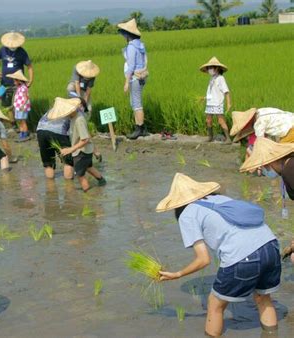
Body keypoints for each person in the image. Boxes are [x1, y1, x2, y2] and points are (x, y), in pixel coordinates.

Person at [156, 173, 280, 337]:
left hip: (243, 257)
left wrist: (177, 274)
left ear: (176, 203)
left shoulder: (187, 214)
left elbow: (203, 259)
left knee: (215, 305)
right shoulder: (222, 199)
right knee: (263, 298)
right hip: (271, 246)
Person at [49, 97, 106, 192]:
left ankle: (87, 194)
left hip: (81, 152)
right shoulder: (74, 117)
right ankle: (102, 181)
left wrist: (70, 149)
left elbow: (85, 139)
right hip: (86, 150)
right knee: (88, 167)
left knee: (80, 175)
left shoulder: (79, 120)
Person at [117, 18, 149, 140]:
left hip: (135, 77)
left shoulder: (131, 47)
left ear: (127, 34)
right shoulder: (140, 45)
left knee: (136, 104)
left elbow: (131, 66)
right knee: (136, 102)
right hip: (142, 76)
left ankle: (139, 129)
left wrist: (126, 82)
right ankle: (142, 128)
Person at [36, 97, 76, 180]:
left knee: (48, 162)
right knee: (68, 161)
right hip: (58, 133)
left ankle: (51, 188)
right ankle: (69, 187)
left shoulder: (50, 111)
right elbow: (73, 132)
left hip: (40, 132)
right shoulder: (68, 112)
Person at [0, 32, 33, 108]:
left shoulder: (22, 52)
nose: (13, 46)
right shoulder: (2, 50)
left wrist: (31, 80)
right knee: (6, 105)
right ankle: (11, 120)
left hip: (18, 84)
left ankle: (18, 118)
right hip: (5, 83)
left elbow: (29, 66)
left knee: (18, 103)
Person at [199, 57, 232, 143]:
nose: (209, 69)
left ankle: (228, 138)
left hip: (217, 103)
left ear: (216, 68)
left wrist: (228, 103)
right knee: (208, 120)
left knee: (221, 120)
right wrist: (205, 98)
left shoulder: (220, 78)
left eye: (211, 67)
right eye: (208, 68)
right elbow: (211, 92)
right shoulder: (212, 79)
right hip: (210, 103)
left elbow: (226, 91)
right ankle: (210, 137)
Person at [6, 70, 31, 142]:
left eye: (15, 80)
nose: (14, 82)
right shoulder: (18, 87)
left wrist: (23, 105)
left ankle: (25, 133)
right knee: (19, 120)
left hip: (22, 107)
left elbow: (26, 97)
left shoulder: (23, 88)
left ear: (19, 80)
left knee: (23, 121)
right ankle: (21, 132)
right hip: (17, 106)